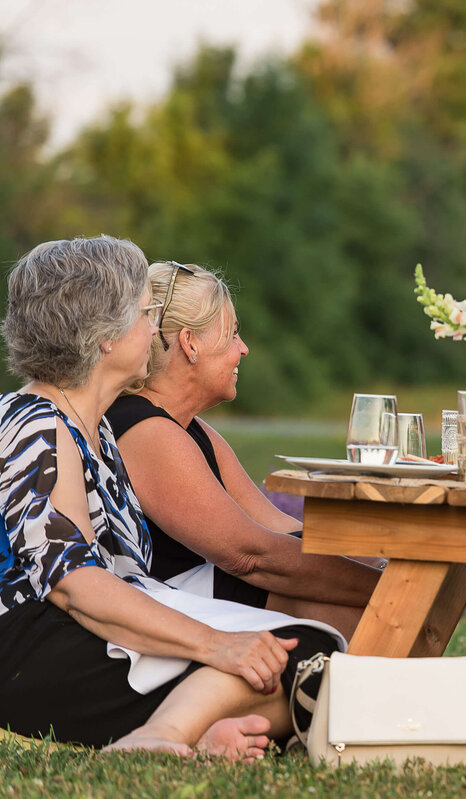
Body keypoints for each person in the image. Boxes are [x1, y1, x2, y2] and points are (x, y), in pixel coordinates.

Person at [0, 236, 344, 758]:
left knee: (307, 658)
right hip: (34, 652)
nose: (155, 331)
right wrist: (216, 644)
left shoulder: (91, 430)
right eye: (145, 315)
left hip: (94, 637)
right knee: (307, 661)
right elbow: (73, 585)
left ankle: (200, 728)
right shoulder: (37, 424)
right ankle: (161, 735)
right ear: (105, 339)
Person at [105, 262, 380, 640]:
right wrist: (385, 589)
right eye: (232, 334)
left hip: (201, 594)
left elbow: (278, 526)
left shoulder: (192, 429)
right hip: (162, 611)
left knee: (368, 594)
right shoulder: (146, 430)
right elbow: (250, 555)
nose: (243, 348)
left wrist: (373, 557)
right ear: (190, 343)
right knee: (336, 606)